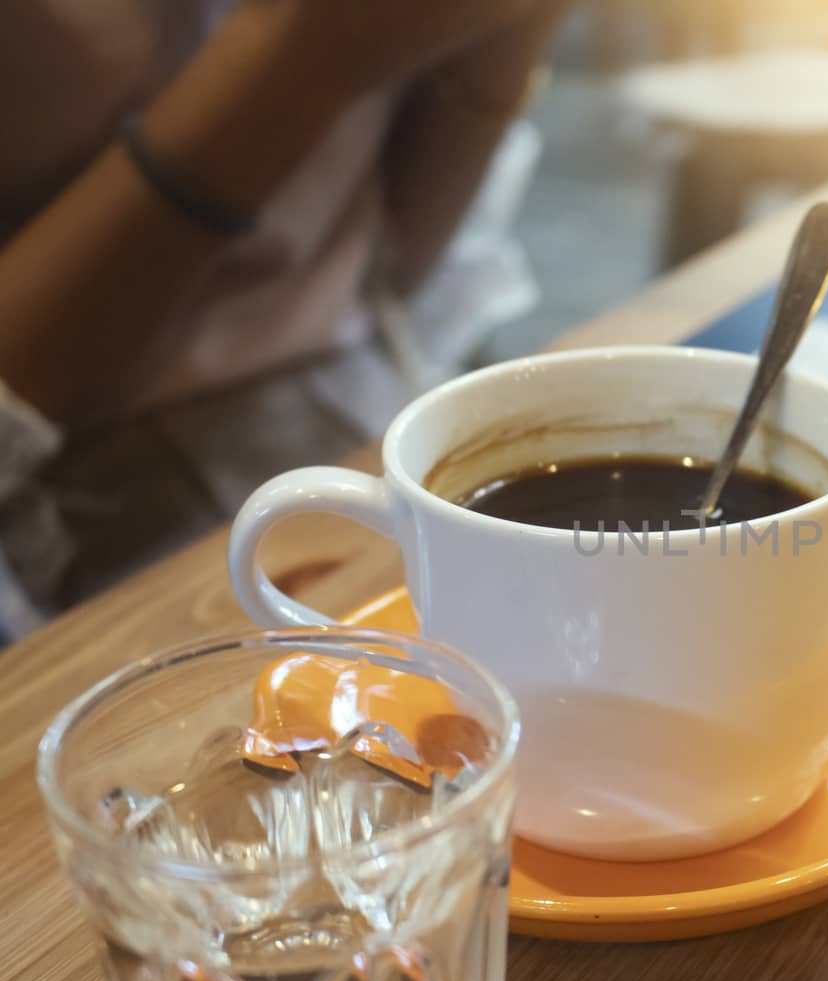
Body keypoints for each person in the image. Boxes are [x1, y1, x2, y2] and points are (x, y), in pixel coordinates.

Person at [0, 0, 574, 640]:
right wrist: (301, 62)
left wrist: (513, 32)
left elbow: (390, 270)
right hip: (75, 539)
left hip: (358, 409)